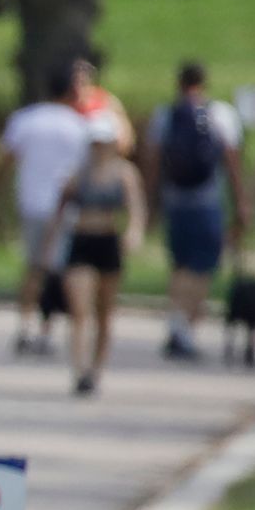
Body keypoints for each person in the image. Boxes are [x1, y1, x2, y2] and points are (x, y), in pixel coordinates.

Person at [0, 57, 100, 355]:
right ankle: (48, 328)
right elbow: (89, 170)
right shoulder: (80, 126)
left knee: (34, 266)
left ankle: (25, 323)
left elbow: (4, 161)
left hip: (31, 203)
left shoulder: (25, 119)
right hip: (65, 207)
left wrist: (1, 193)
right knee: (61, 269)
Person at [150, 60, 243, 362]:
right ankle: (185, 327)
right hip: (207, 201)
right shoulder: (220, 114)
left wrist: (152, 201)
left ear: (179, 83)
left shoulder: (165, 116)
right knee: (202, 265)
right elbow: (232, 163)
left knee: (179, 264)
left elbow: (154, 162)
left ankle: (177, 321)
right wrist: (241, 202)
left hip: (175, 200)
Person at [60, 113, 146, 397]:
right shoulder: (78, 173)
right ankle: (79, 369)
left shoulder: (124, 173)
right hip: (81, 241)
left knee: (104, 313)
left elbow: (136, 208)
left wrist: (133, 232)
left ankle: (96, 370)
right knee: (79, 310)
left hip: (108, 242)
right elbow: (61, 208)